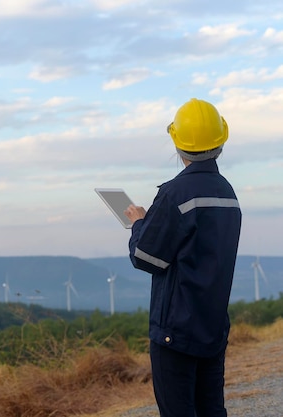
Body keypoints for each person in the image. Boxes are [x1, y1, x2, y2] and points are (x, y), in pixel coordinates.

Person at [123, 98, 242, 417]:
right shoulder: (227, 193)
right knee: (211, 410)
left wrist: (139, 224)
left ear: (178, 143)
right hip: (213, 324)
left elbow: (146, 257)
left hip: (175, 330)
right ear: (220, 142)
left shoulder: (175, 193)